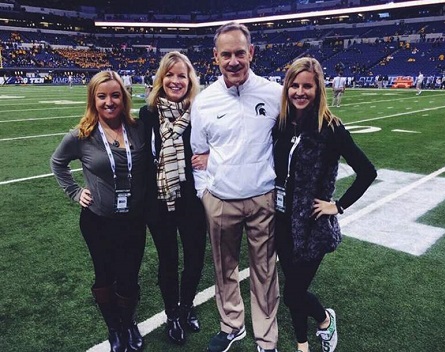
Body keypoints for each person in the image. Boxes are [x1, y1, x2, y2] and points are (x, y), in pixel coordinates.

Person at [273, 57, 377, 352]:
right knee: (294, 285)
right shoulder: (282, 124)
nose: (300, 92)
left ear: (318, 89)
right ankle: (302, 345)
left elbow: (367, 172)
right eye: (294, 85)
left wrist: (338, 206)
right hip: (281, 220)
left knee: (293, 294)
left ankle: (324, 320)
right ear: (287, 88)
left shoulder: (330, 128)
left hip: (311, 226)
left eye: (308, 86)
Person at [190, 22, 281, 352]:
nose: (233, 61)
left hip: (262, 200)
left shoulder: (273, 94)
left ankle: (266, 339)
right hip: (221, 201)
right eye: (226, 54)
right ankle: (232, 325)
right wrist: (204, 195)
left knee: (265, 272)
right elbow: (197, 154)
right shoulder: (205, 101)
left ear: (251, 53)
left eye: (239, 53)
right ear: (216, 57)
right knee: (224, 269)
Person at [51, 70, 148, 352]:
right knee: (104, 275)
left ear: (124, 97)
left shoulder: (138, 127)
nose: (109, 101)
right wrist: (74, 191)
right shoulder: (81, 135)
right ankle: (114, 327)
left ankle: (128, 321)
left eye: (115, 95)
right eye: (102, 96)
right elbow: (57, 163)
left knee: (129, 276)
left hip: (133, 220)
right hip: (98, 221)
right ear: (93, 99)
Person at [139, 51, 207, 346]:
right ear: (160, 78)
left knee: (194, 259)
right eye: (170, 74)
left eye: (182, 75)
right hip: (159, 198)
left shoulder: (201, 112)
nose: (175, 80)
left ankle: (187, 305)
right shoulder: (148, 113)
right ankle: (172, 315)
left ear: (190, 79)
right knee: (168, 261)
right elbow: (140, 157)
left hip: (193, 198)